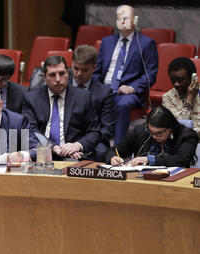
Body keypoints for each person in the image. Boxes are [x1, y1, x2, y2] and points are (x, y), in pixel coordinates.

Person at [93, 4, 158, 144]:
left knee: (121, 104)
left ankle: (118, 149)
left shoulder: (146, 43)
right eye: (119, 18)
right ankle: (94, 146)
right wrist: (95, 87)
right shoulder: (106, 42)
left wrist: (132, 87)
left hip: (128, 92)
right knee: (84, 99)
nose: (122, 21)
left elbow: (150, 74)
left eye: (126, 18)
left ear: (135, 20)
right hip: (104, 88)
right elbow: (97, 71)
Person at [22, 55, 100, 160]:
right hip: (43, 153)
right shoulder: (31, 98)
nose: (58, 79)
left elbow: (94, 132)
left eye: (62, 73)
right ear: (44, 77)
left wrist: (77, 145)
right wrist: (52, 147)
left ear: (68, 74)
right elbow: (31, 130)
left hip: (74, 155)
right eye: (52, 75)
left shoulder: (83, 97)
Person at [105, 106, 198, 168]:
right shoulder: (140, 131)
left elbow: (182, 160)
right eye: (151, 132)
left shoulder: (187, 136)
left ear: (170, 128)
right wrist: (112, 158)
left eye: (159, 133)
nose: (154, 136)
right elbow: (112, 150)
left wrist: (149, 160)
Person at [71, 45, 115, 161]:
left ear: (94, 68)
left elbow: (107, 129)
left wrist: (82, 144)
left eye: (84, 70)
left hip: (93, 140)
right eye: (76, 68)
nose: (79, 74)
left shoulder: (104, 93)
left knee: (101, 153)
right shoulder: (61, 86)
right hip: (64, 138)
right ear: (71, 64)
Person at [162, 57, 199, 137]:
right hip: (182, 141)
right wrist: (189, 100)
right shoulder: (168, 98)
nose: (176, 84)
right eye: (173, 80)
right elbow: (177, 127)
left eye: (180, 80)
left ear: (193, 78)